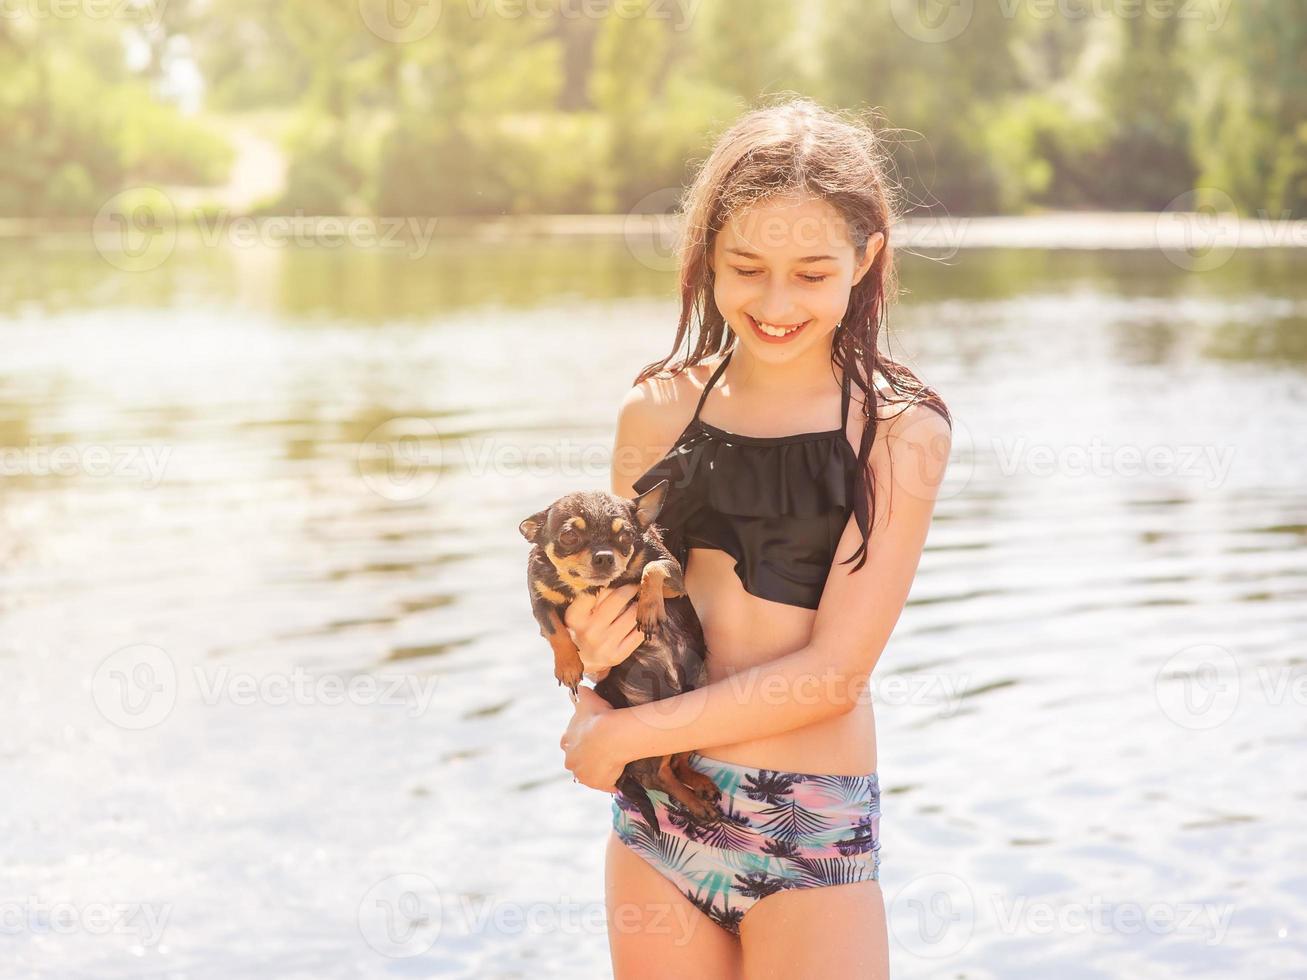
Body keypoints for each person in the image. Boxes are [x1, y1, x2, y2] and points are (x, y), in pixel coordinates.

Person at [559, 96, 952, 979]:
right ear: (706, 258)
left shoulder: (897, 432)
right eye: (747, 267)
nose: (777, 303)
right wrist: (588, 684)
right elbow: (612, 631)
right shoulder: (655, 409)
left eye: (812, 273)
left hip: (806, 835)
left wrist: (622, 736)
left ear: (866, 260)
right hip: (656, 819)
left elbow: (834, 673)